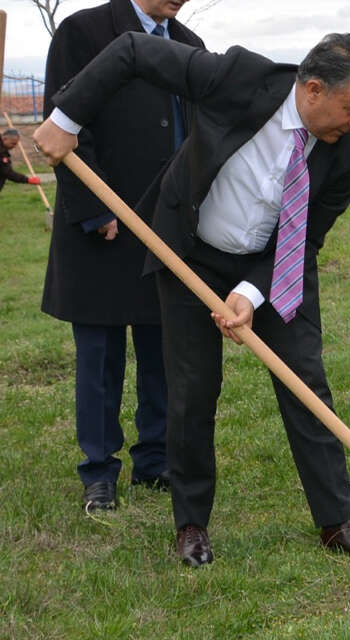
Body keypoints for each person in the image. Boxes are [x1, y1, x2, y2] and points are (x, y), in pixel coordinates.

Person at [35, 32, 350, 567]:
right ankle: (191, 523)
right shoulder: (237, 79)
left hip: (275, 266)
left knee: (307, 387)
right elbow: (133, 51)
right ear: (314, 89)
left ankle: (338, 520)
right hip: (190, 254)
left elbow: (306, 238)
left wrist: (250, 293)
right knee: (192, 391)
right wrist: (65, 121)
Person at [40, 0, 202, 513]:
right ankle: (99, 471)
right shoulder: (83, 32)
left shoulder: (189, 46)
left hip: (165, 227)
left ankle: (154, 460)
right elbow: (65, 124)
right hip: (103, 225)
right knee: (100, 359)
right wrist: (96, 209)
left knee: (162, 351)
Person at [0, 129, 41, 194]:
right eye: (13, 143)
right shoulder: (1, 153)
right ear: (5, 139)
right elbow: (7, 172)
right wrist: (28, 180)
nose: (14, 146)